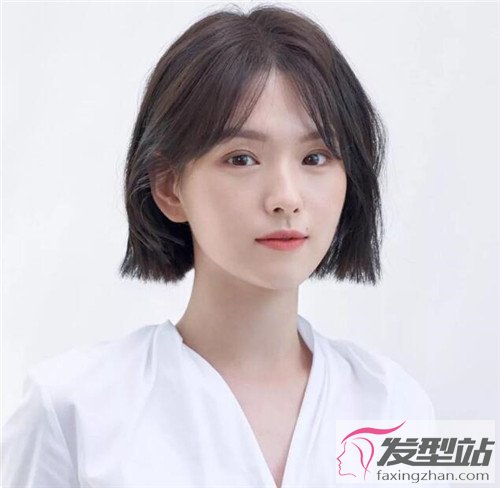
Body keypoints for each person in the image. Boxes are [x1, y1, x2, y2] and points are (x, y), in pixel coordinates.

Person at [2, 5, 438, 488]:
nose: (286, 198)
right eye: (241, 158)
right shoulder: (73, 411)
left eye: (315, 157)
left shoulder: (393, 406)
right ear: (169, 187)